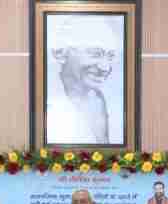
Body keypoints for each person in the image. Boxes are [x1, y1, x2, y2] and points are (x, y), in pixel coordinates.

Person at [45, 15, 122, 145]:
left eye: (110, 56)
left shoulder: (111, 101)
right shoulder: (44, 99)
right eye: (95, 54)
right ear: (60, 54)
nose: (105, 67)